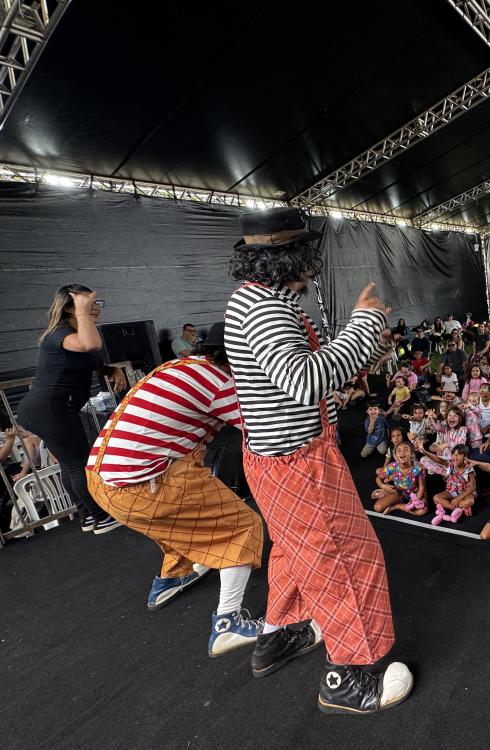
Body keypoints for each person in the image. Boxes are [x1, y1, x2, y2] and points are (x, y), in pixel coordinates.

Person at [224, 208, 411, 714]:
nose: (315, 267)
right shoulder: (267, 310)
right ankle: (347, 678)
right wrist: (365, 323)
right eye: (310, 257)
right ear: (295, 258)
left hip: (276, 462)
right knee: (345, 558)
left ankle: (278, 635)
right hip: (299, 464)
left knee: (294, 551)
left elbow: (300, 374)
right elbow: (305, 381)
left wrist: (362, 350)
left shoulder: (260, 300)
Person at [85, 322, 267, 655]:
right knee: (242, 526)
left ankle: (170, 579)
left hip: (101, 479)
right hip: (140, 484)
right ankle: (227, 624)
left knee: (179, 524)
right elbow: (265, 426)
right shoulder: (219, 382)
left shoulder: (176, 366)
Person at [17, 284, 126, 534]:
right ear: (69, 307)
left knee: (69, 463)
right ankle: (101, 516)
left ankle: (87, 514)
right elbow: (90, 346)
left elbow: (87, 358)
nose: (95, 307)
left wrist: (110, 369)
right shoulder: (60, 333)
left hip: (47, 409)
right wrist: (83, 313)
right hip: (50, 409)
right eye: (89, 303)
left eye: (96, 303)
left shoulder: (73, 333)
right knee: (79, 463)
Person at [372, 440, 427, 517]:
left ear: (411, 454)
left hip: (416, 493)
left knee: (422, 511)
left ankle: (397, 506)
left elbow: (422, 488)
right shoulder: (392, 466)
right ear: (396, 455)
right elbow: (378, 478)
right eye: (399, 450)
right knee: (377, 508)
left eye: (406, 450)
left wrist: (415, 500)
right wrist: (383, 485)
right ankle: (391, 497)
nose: (402, 452)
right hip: (399, 492)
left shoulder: (419, 468)